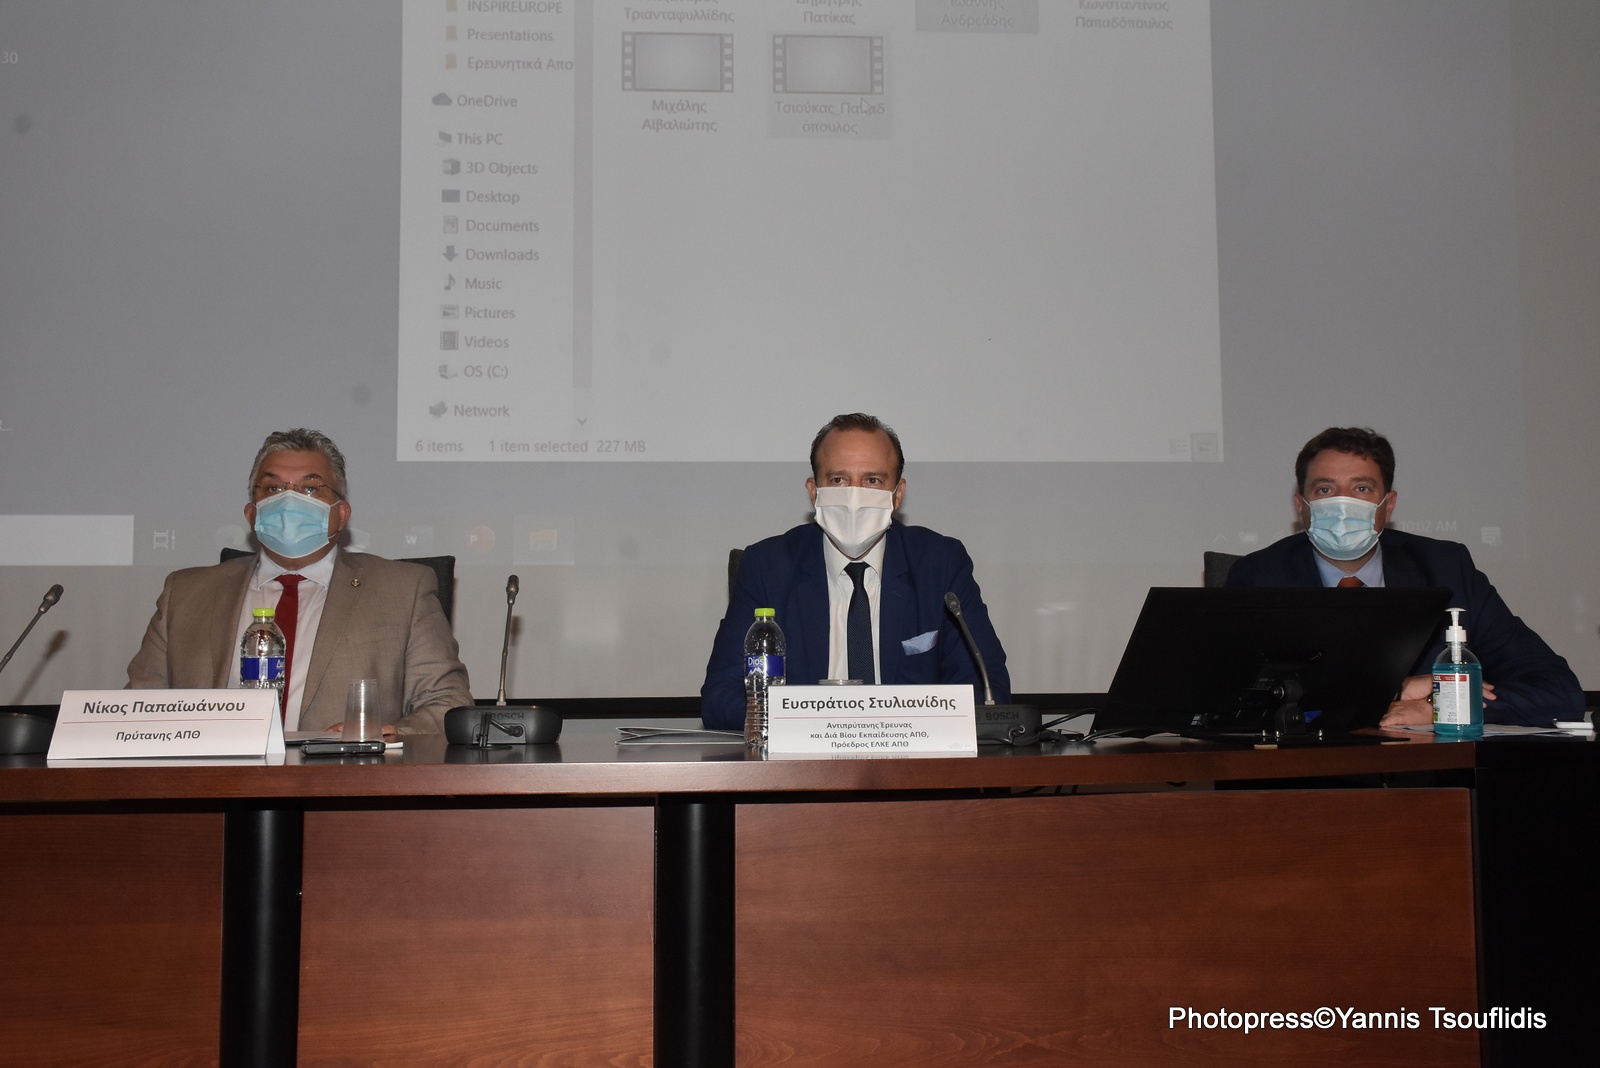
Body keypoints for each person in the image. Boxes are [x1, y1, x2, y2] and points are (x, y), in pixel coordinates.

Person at [1226, 426, 1582, 728]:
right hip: (1311, 776)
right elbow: (1239, 702)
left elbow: (1558, 689)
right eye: (1325, 489)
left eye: (1362, 489)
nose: (1343, 505)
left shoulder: (1446, 569)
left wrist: (1441, 706)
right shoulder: (1262, 577)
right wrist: (1397, 689)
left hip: (1429, 774)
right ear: (1301, 506)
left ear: (1389, 504)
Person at [126, 428, 471, 736]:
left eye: (310, 488)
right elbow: (137, 709)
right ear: (252, 513)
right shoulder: (185, 593)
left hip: (343, 780)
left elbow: (447, 703)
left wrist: (391, 733)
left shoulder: (403, 590)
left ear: (341, 514)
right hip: (212, 781)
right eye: (273, 488)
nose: (289, 500)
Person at [701, 413, 1010, 730]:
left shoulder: (939, 563)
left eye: (873, 481)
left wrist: (895, 728)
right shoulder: (768, 566)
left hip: (911, 758)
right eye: (838, 480)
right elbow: (721, 697)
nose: (854, 497)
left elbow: (987, 689)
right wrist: (819, 727)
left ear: (897, 494)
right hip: (802, 758)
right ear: (814, 491)